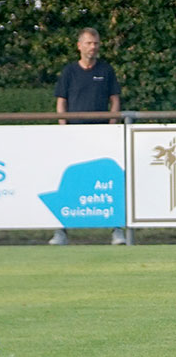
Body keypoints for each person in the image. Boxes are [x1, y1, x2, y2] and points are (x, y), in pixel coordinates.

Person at [51, 27, 125, 246]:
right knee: (68, 182)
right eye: (89, 43)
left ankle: (117, 229)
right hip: (74, 135)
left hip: (102, 135)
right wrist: (64, 127)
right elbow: (61, 101)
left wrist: (112, 126)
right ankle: (60, 231)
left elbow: (115, 100)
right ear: (79, 46)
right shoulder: (69, 72)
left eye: (96, 43)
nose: (93, 47)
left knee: (109, 181)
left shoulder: (106, 70)